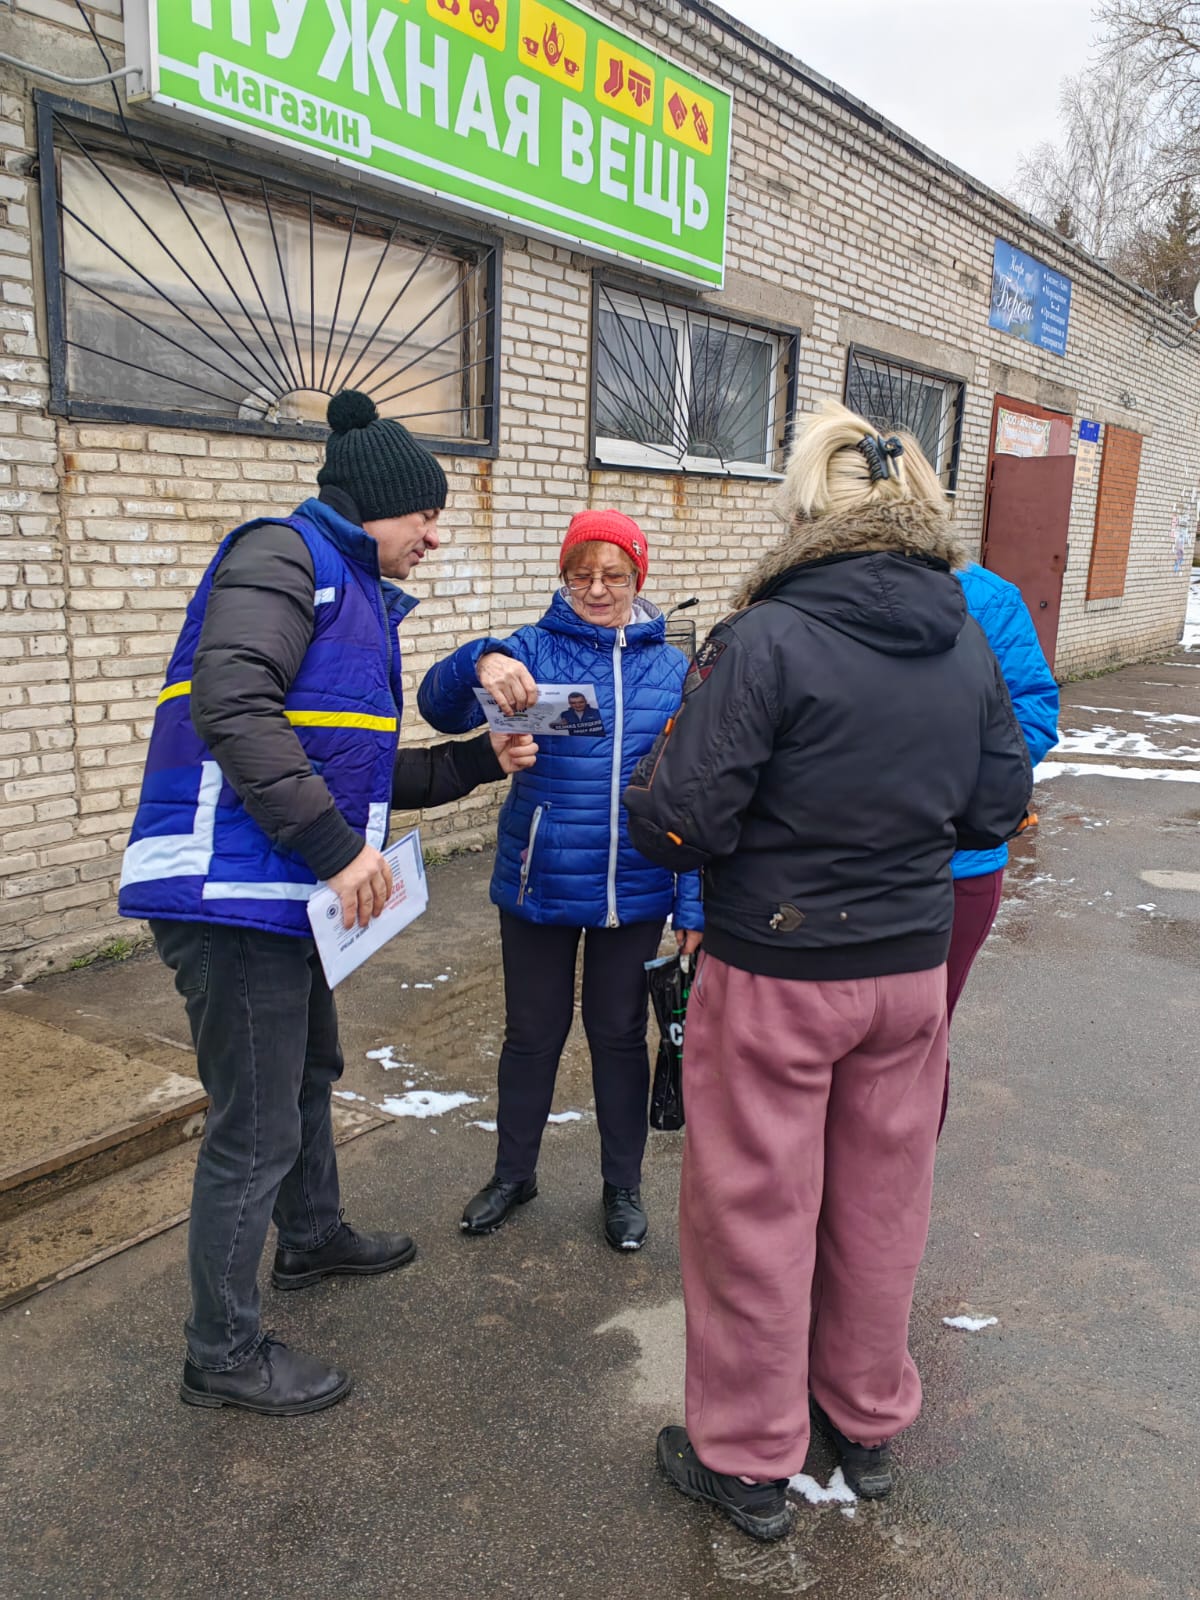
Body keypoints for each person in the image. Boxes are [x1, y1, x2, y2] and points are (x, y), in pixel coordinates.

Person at [624, 401, 1032, 1540]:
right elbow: (997, 804)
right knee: (881, 1199)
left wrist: (648, 792)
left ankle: (750, 1458)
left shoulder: (764, 637)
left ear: (809, 513)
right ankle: (864, 1418)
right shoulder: (963, 637)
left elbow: (683, 822)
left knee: (754, 1210)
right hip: (906, 976)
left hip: (779, 969)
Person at [117, 390, 536, 1417]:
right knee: (254, 1128)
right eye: (426, 515)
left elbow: (356, 768)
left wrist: (480, 761)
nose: (436, 536)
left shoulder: (350, 594)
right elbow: (232, 703)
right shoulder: (283, 556)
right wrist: (339, 851)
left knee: (307, 1073)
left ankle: (309, 1237)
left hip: (278, 894)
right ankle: (221, 1353)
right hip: (227, 893)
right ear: (375, 503)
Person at [417, 510, 703, 1250]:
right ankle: (514, 1174)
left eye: (614, 576)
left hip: (634, 887)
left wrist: (693, 902)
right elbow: (437, 706)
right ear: (563, 577)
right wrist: (479, 659)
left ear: (639, 577)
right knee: (531, 1035)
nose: (597, 590)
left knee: (618, 1036)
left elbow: (693, 793)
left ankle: (622, 1186)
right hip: (538, 879)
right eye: (582, 576)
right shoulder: (530, 650)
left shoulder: (673, 671)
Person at [943, 563, 1058, 1130]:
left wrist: (946, 804)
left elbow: (1031, 716)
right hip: (824, 867)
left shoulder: (983, 598)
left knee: (919, 1037)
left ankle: (897, 1180)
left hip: (955, 866)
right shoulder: (804, 586)